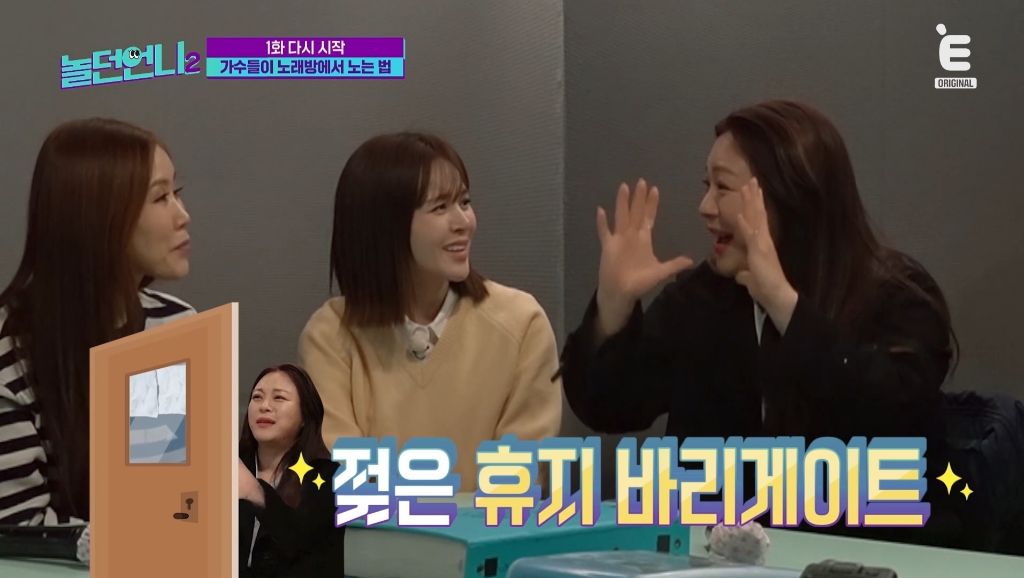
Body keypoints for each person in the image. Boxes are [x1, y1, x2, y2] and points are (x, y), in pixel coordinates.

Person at [559, 100, 962, 544]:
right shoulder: (705, 296)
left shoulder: (897, 295)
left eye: (723, 187)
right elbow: (611, 405)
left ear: (787, 197)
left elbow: (896, 417)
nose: (705, 207)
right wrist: (613, 307)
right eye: (706, 185)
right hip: (715, 560)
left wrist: (784, 305)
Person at [298, 132, 562, 492]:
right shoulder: (330, 335)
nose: (463, 222)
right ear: (384, 225)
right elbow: (345, 481)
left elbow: (518, 481)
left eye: (464, 202)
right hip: (373, 530)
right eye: (440, 207)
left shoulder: (521, 323)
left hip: (488, 529)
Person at [0, 118, 194, 526]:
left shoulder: (173, 326)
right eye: (160, 198)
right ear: (100, 217)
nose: (183, 216)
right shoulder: (10, 350)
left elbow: (166, 501)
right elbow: (17, 531)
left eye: (176, 193)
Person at [238, 364, 343, 578]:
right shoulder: (234, 465)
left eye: (279, 398)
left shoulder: (329, 477)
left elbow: (302, 545)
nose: (264, 406)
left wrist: (256, 493)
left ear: (305, 416)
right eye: (257, 397)